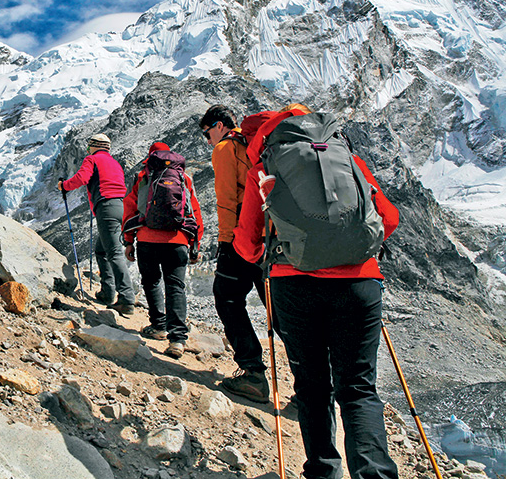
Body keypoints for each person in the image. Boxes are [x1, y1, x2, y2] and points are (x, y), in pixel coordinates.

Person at [234, 106, 400, 479]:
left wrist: (279, 254)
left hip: (295, 286)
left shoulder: (264, 167)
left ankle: (324, 471)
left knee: (311, 386)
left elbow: (245, 243)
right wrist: (352, 252)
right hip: (360, 283)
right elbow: (389, 218)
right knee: (358, 389)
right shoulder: (347, 158)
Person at [199, 105, 271, 402]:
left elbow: (227, 198)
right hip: (274, 234)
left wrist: (226, 241)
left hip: (244, 233)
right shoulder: (253, 145)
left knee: (227, 295)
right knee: (278, 306)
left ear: (218, 126)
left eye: (207, 133)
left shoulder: (226, 147)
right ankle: (315, 383)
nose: (207, 141)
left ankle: (253, 372)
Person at [122, 142, 203, 358]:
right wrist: (195, 244)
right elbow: (194, 211)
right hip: (178, 239)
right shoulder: (184, 178)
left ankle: (158, 327)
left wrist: (129, 240)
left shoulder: (143, 176)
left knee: (151, 281)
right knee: (176, 286)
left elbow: (130, 208)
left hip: (147, 239)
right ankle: (177, 339)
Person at [58, 134, 135, 315]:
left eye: (88, 146)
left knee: (114, 253)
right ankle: (107, 293)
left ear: (93, 146)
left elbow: (82, 178)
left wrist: (64, 186)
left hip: (106, 207)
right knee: (102, 250)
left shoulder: (92, 159)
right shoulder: (115, 163)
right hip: (120, 207)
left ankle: (126, 298)